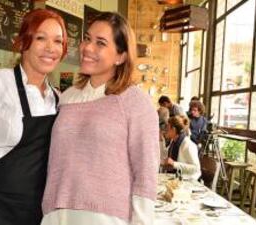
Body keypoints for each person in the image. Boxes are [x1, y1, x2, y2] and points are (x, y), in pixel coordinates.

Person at [41, 12, 159, 225]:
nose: (87, 47)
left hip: (105, 218)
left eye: (101, 43)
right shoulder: (67, 98)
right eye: (87, 38)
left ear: (120, 56)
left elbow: (146, 174)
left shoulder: (135, 102)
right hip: (57, 214)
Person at [0, 8, 67, 225]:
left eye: (58, 41)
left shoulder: (57, 98)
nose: (50, 48)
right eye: (40, 38)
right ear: (23, 42)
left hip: (33, 212)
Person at [162, 115, 201, 181]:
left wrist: (174, 164)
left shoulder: (188, 145)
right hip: (176, 179)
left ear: (173, 129)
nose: (165, 130)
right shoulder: (173, 141)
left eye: (167, 128)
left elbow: (196, 168)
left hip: (188, 182)